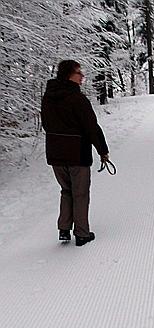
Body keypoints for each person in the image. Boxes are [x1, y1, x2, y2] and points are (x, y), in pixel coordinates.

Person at [41, 60, 110, 246]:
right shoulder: (77, 99)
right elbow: (91, 128)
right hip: (77, 153)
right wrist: (103, 151)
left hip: (55, 153)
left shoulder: (48, 97)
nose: (82, 77)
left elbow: (46, 125)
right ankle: (82, 233)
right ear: (68, 74)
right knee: (80, 193)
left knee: (66, 190)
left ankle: (64, 229)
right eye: (79, 73)